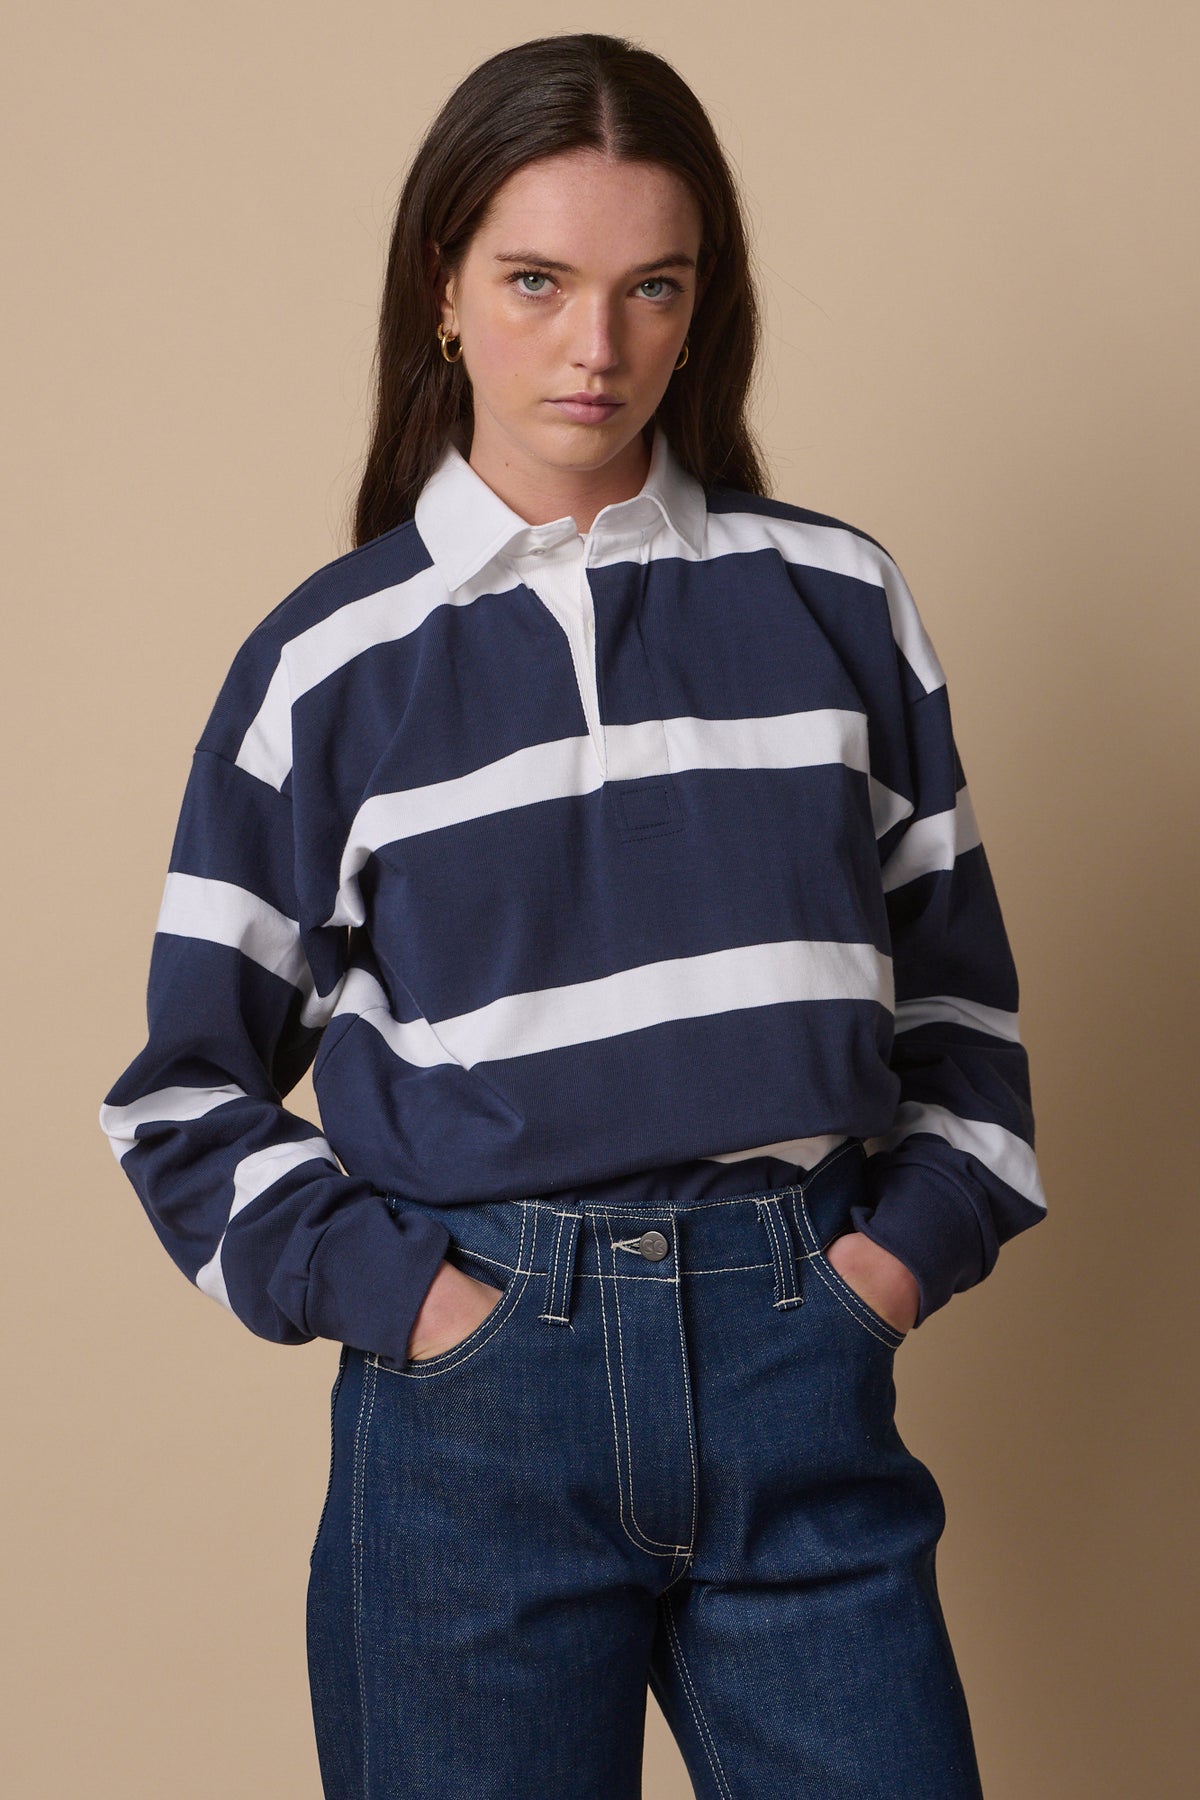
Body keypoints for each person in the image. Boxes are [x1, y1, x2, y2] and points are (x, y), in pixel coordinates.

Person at [99, 31, 1046, 1800]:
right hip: (474, 1419)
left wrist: (874, 1280)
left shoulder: (837, 602)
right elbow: (178, 1096)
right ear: (443, 294)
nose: (595, 347)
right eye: (536, 280)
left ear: (704, 307)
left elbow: (968, 1037)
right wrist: (419, 1307)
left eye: (649, 287)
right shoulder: (332, 663)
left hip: (799, 1359)